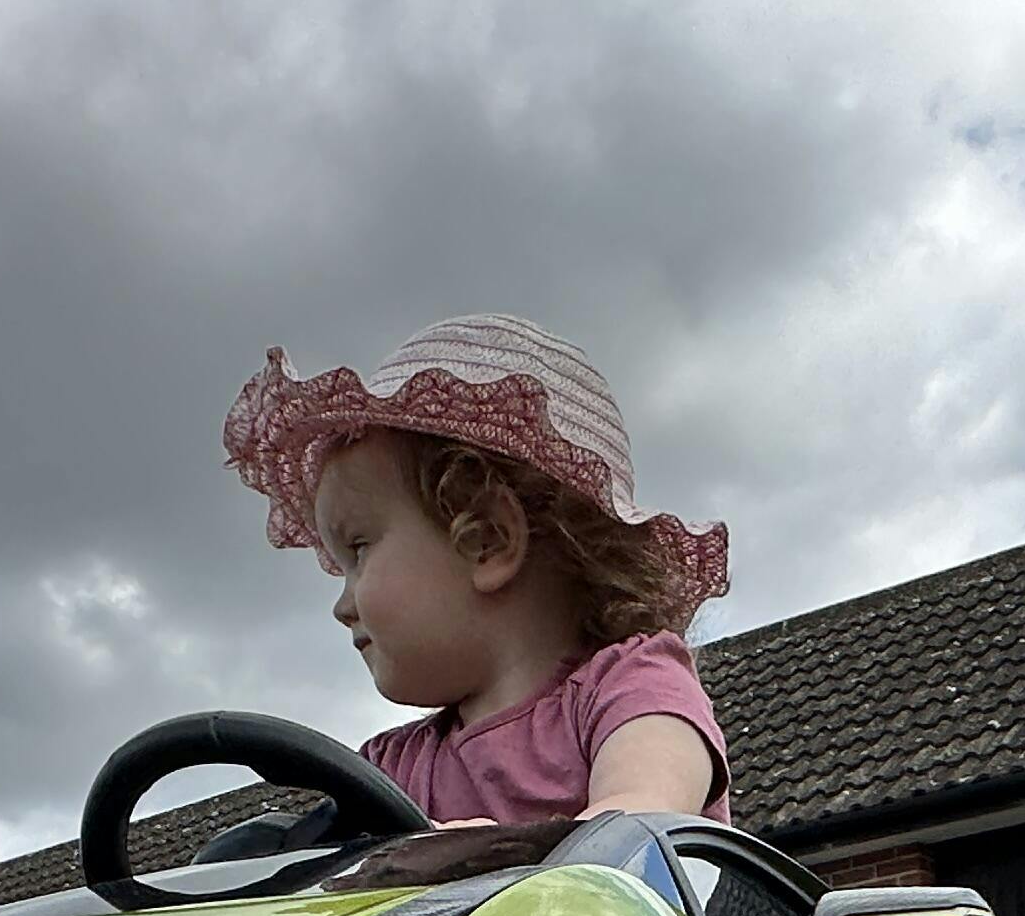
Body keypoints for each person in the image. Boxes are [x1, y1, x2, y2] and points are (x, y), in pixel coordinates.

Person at [222, 313, 730, 826]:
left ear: (487, 540)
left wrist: (483, 856)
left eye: (359, 551)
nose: (341, 606)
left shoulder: (633, 688)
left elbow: (640, 818)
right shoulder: (390, 771)